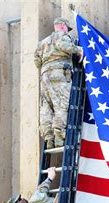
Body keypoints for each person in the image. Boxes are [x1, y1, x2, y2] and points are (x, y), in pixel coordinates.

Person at [34, 17, 83, 149]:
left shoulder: (42, 42)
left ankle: (49, 138)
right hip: (59, 74)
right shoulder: (62, 36)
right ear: (62, 26)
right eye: (67, 28)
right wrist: (78, 50)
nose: (68, 30)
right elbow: (65, 46)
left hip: (45, 76)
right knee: (61, 104)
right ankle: (60, 137)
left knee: (47, 107)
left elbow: (37, 62)